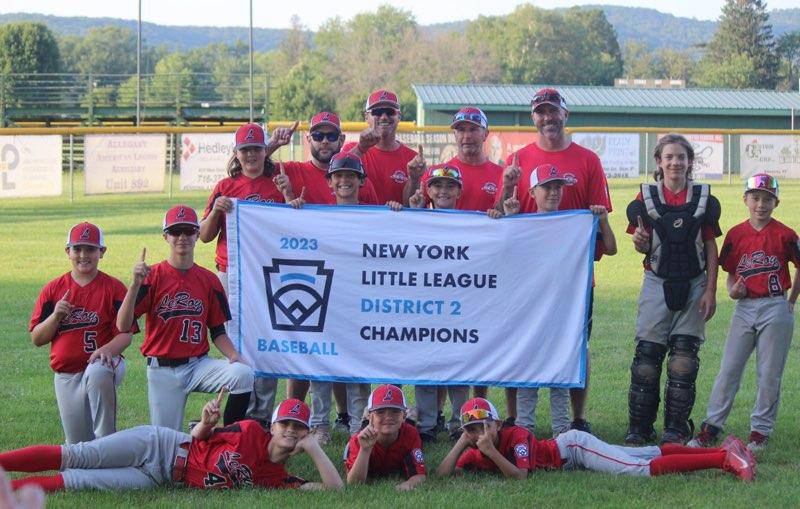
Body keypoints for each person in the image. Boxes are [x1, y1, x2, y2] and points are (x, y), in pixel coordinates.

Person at [497, 88, 612, 433]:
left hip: (573, 278)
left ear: (566, 114)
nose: (548, 117)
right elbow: (504, 217)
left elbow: (600, 221)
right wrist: (506, 194)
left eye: (553, 111)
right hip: (528, 278)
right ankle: (516, 418)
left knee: (576, 344)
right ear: (534, 117)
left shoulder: (588, 160)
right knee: (522, 342)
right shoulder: (517, 160)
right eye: (541, 112)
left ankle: (576, 418)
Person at [0, 393, 343, 491]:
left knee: (76, 482)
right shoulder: (251, 431)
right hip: (162, 445)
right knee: (78, 456)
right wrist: (207, 423)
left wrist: (313, 448)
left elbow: (336, 490)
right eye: (285, 422)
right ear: (272, 424)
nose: (290, 430)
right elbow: (201, 438)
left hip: (159, 477)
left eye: (298, 427)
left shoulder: (278, 478)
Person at [116, 205, 254, 431]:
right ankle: (193, 433)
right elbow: (122, 325)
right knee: (165, 444)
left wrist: (234, 356)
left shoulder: (209, 280)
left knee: (243, 374)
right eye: (175, 231)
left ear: (198, 235)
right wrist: (134, 284)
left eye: (189, 231)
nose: (182, 237)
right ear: (165, 236)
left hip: (198, 365)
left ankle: (230, 440)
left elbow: (217, 331)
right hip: (163, 369)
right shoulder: (152, 277)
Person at [290, 153, 397, 437]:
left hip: (361, 299)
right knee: (320, 362)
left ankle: (357, 425)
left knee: (358, 363)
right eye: (339, 176)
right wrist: (293, 208)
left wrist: (397, 213)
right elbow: (293, 237)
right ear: (330, 182)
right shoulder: (318, 215)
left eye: (351, 176)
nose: (345, 181)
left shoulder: (375, 215)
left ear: (361, 181)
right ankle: (319, 426)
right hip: (325, 297)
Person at [689, 174, 799, 451]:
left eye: (767, 199)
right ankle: (712, 425)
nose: (761, 204)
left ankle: (760, 431)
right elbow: (730, 274)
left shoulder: (785, 234)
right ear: (745, 200)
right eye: (756, 198)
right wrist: (732, 290)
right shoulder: (736, 234)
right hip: (745, 307)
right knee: (728, 369)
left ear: (776, 202)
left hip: (775, 304)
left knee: (769, 372)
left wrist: (792, 299)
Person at [198, 121, 299, 425]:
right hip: (232, 274)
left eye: (256, 148)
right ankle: (238, 414)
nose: (251, 155)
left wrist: (289, 197)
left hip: (269, 276)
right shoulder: (226, 186)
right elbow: (203, 235)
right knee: (236, 346)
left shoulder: (277, 181)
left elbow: (294, 229)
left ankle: (261, 416)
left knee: (266, 343)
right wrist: (217, 210)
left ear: (264, 151)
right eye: (245, 150)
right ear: (237, 153)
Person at [624, 133, 722, 445]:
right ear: (659, 162)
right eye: (669, 157)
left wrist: (711, 290)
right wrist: (639, 243)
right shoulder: (645, 198)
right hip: (657, 281)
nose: (675, 162)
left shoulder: (704, 198)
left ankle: (675, 428)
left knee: (683, 360)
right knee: (647, 359)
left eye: (681, 157)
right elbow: (640, 243)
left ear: (689, 161)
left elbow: (710, 245)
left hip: (694, 283)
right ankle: (639, 428)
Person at [403, 165, 508, 442]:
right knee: (425, 362)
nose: (443, 191)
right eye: (437, 185)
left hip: (461, 304)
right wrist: (411, 213)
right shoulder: (419, 219)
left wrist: (496, 219)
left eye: (450, 186)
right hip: (426, 304)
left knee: (459, 361)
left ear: (460, 191)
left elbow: (494, 246)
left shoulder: (472, 222)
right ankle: (426, 423)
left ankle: (459, 423)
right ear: (428, 190)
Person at [435, 397, 755, 482]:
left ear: (498, 422)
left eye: (484, 425)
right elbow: (442, 474)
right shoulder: (473, 446)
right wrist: (462, 443)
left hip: (573, 448)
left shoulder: (514, 434)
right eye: (472, 429)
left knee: (636, 469)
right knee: (645, 453)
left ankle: (724, 459)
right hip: (570, 452)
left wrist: (490, 450)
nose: (480, 433)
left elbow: (520, 476)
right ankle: (724, 449)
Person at [28, 222, 132, 444]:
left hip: (104, 364)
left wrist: (106, 350)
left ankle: (108, 445)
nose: (83, 255)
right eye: (77, 249)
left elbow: (126, 334)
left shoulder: (114, 288)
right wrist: (55, 317)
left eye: (90, 249)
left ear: (101, 252)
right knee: (78, 446)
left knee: (98, 371)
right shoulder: (53, 289)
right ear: (68, 252)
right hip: (66, 374)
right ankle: (86, 467)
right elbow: (37, 338)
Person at [344, 89, 421, 205]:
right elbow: (336, 178)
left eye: (390, 111)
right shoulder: (352, 150)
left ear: (399, 116)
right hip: (360, 222)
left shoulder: (412, 159)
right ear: (366, 117)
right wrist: (361, 148)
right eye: (377, 112)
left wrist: (414, 179)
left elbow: (411, 205)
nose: (384, 117)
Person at [344, 384, 426, 491]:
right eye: (380, 412)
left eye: (395, 411)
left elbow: (420, 474)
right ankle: (367, 420)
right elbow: (354, 483)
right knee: (364, 432)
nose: (388, 417)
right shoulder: (358, 440)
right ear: (370, 415)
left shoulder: (411, 434)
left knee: (407, 426)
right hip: (370, 432)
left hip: (403, 427)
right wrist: (365, 450)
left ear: (404, 415)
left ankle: (410, 416)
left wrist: (409, 483)